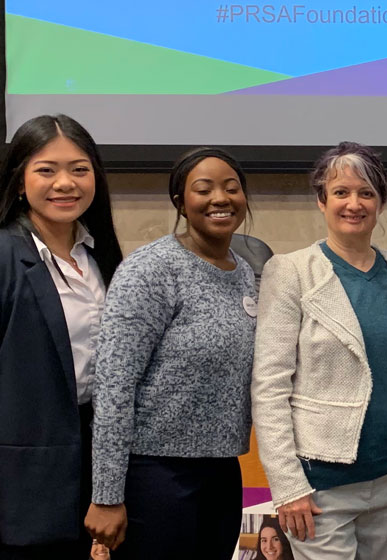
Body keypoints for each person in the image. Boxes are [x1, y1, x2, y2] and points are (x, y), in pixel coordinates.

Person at [250, 142, 387, 560]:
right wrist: (288, 485)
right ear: (321, 200)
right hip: (319, 489)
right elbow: (269, 387)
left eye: (366, 193)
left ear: (381, 202)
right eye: (341, 192)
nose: (354, 204)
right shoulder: (292, 271)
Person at [0, 114, 123, 560]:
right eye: (46, 170)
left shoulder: (101, 258)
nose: (65, 183)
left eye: (79, 169)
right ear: (18, 182)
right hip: (16, 492)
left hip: (94, 482)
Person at [84, 147, 257, 558]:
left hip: (222, 468)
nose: (220, 198)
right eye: (204, 189)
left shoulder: (245, 271)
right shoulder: (151, 269)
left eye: (232, 188)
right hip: (155, 473)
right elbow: (113, 385)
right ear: (180, 201)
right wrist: (107, 493)